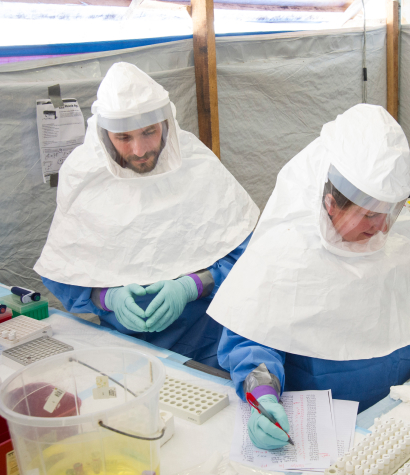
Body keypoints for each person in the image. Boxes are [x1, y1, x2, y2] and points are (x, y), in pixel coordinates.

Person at [207, 104, 410, 449]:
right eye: (368, 214)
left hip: (394, 415)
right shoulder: (288, 250)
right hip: (318, 432)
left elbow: (403, 296)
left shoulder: (389, 235)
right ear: (330, 201)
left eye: (389, 213)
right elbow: (252, 339)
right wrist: (262, 396)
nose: (381, 226)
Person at [34, 62, 259, 368]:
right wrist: (106, 297)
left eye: (149, 132)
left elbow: (249, 255)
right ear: (103, 133)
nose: (140, 150)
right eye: (124, 138)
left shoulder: (197, 166)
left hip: (208, 341)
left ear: (166, 122)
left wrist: (194, 284)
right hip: (124, 347)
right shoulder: (85, 174)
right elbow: (65, 269)